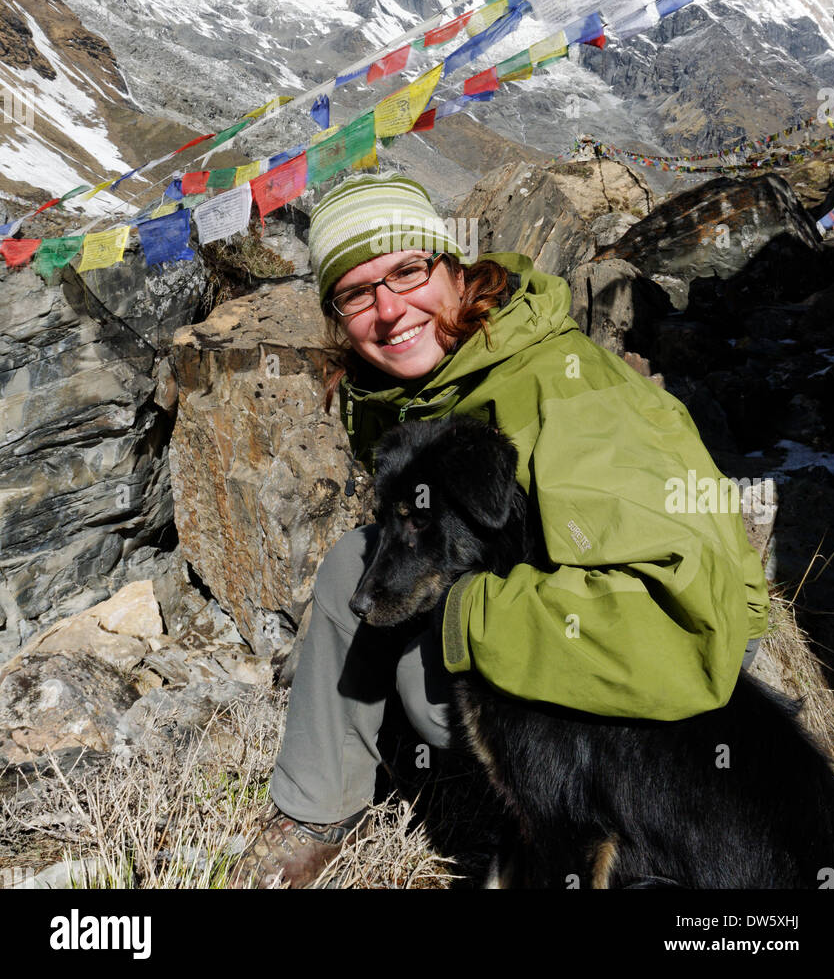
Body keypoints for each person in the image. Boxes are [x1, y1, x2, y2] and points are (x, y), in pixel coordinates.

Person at [228, 171, 769, 889]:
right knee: (349, 571)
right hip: (548, 603)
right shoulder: (417, 381)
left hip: (662, 647)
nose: (388, 310)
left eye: (406, 271)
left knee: (424, 688)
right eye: (356, 293)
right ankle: (312, 813)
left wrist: (461, 621)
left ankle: (603, 835)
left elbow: (667, 620)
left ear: (453, 268)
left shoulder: (571, 395)